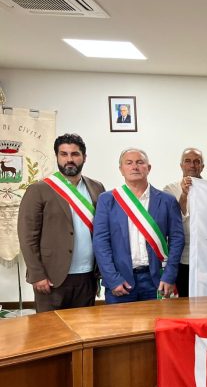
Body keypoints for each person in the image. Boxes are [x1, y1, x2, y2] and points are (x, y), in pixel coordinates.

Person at [17, 133, 105, 312]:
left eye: (75, 154)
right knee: (50, 328)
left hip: (87, 276)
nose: (69, 159)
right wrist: (37, 275)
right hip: (52, 278)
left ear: (84, 157)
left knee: (84, 327)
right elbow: (27, 237)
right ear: (57, 157)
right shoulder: (38, 189)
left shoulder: (97, 188)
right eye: (64, 154)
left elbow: (102, 230)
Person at [93, 148, 184, 303]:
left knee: (158, 320)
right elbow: (100, 242)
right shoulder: (107, 200)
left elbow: (177, 240)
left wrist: (169, 275)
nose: (134, 167)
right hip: (121, 281)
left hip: (157, 280)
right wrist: (112, 278)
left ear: (149, 168)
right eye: (129, 163)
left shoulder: (167, 201)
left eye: (140, 162)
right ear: (121, 169)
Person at [163, 147, 205, 297]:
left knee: (206, 300)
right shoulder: (169, 190)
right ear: (181, 165)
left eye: (197, 161)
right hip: (181, 257)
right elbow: (173, 220)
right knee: (183, 300)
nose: (192, 165)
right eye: (188, 161)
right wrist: (184, 195)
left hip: (205, 257)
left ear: (202, 166)